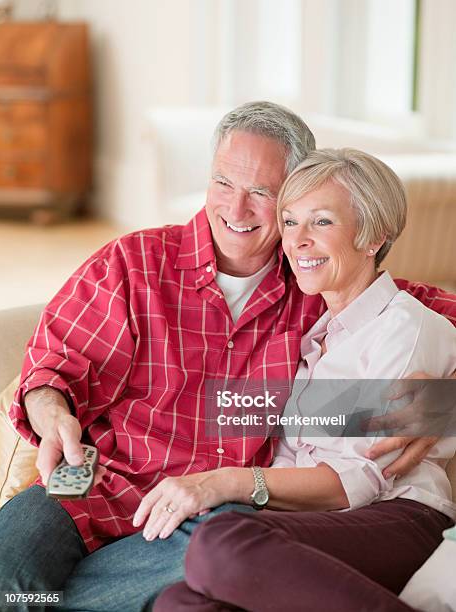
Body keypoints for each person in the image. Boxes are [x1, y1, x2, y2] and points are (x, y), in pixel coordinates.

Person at [0, 102, 454, 612]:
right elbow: (54, 365)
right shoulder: (133, 263)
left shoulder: (317, 275)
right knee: (7, 566)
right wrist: (50, 409)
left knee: (208, 555)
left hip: (210, 509)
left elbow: (412, 316)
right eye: (223, 184)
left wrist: (444, 397)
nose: (236, 210)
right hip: (95, 483)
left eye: (262, 193)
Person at [153, 149, 456, 612]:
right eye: (290, 222)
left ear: (374, 235)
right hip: (317, 526)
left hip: (399, 517)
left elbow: (360, 479)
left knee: (221, 541)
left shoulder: (405, 328)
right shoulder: (314, 337)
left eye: (322, 222)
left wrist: (226, 482)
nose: (298, 241)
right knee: (178, 602)